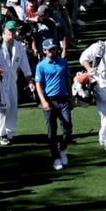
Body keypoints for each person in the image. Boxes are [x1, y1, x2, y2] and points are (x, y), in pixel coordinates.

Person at [0, 20, 36, 146]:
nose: (12, 33)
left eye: (13, 30)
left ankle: (10, 132)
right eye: (9, 31)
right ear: (4, 31)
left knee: (13, 106)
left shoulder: (18, 46)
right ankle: (1, 133)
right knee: (3, 106)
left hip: (13, 79)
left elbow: (24, 64)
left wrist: (29, 80)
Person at [34, 39, 74, 171]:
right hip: (49, 101)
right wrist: (43, 101)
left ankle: (62, 149)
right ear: (44, 51)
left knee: (68, 128)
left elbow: (68, 79)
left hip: (63, 100)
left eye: (54, 48)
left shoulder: (63, 62)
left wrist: (71, 97)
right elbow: (38, 85)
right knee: (52, 130)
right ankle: (56, 157)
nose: (52, 51)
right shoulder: (41, 66)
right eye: (49, 49)